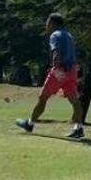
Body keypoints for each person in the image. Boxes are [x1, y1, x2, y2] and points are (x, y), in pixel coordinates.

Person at [16, 12, 84, 140]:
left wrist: (56, 68)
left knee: (43, 97)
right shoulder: (69, 35)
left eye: (47, 22)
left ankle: (29, 124)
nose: (46, 25)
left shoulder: (55, 35)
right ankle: (78, 128)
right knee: (75, 101)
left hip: (60, 70)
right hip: (72, 71)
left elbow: (56, 52)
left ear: (53, 23)